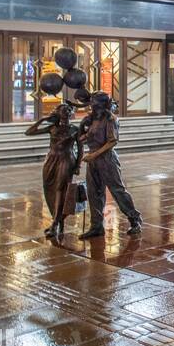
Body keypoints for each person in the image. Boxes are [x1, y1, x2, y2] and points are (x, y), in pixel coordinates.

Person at [76, 91, 142, 239]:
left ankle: (134, 219)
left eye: (93, 101)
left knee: (118, 191)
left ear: (100, 104)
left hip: (107, 159)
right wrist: (82, 126)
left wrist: (94, 155)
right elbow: (82, 139)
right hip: (93, 161)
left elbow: (112, 141)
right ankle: (96, 226)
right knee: (94, 193)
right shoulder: (93, 119)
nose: (90, 104)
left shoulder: (110, 119)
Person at [24, 102, 81, 239]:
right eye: (63, 110)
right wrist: (43, 120)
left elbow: (80, 149)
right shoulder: (52, 128)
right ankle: (58, 219)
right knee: (49, 188)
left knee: (61, 189)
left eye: (68, 110)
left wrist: (78, 165)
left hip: (66, 159)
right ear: (58, 113)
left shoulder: (75, 129)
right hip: (51, 159)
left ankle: (55, 223)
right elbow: (29, 132)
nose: (66, 112)